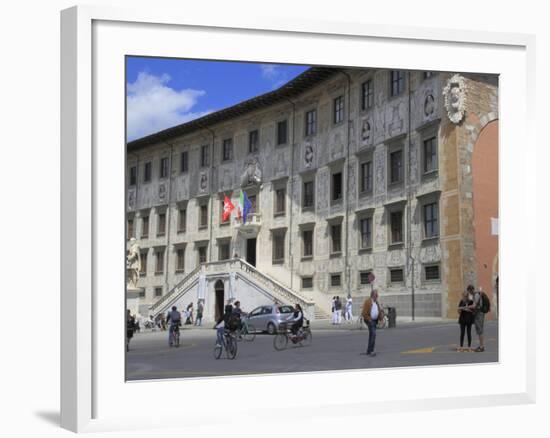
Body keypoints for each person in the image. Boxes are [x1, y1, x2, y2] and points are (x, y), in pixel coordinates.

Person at [361, 290, 384, 357]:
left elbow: (378, 311)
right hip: (370, 321)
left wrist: (381, 318)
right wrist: (369, 320)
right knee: (373, 334)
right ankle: (371, 351)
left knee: (372, 335)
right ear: (373, 295)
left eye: (377, 295)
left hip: (374, 321)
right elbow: (364, 313)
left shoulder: (376, 302)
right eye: (376, 295)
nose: (377, 296)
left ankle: (369, 350)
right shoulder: (368, 302)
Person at [471, 285, 486, 352]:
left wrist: (467, 307)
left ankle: (481, 346)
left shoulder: (476, 295)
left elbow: (475, 305)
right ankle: (481, 345)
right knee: (479, 330)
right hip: (479, 313)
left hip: (479, 314)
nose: (470, 293)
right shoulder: (476, 295)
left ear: (471, 290)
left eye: (469, 292)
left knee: (480, 330)